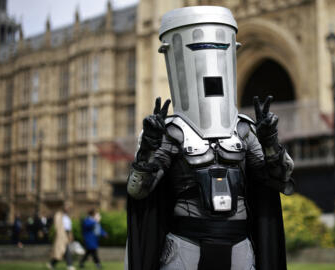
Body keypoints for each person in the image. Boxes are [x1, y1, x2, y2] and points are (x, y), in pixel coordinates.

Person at [125, 6, 294, 270]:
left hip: (239, 245)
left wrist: (270, 142)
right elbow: (139, 190)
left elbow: (279, 181)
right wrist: (147, 148)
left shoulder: (244, 130)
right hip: (186, 245)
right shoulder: (172, 132)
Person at [47, 203, 75, 270]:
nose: (68, 209)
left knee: (63, 251)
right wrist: (60, 234)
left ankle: (52, 263)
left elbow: (69, 227)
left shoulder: (67, 216)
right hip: (61, 235)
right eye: (67, 207)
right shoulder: (59, 215)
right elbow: (57, 225)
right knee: (62, 250)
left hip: (66, 234)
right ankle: (69, 265)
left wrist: (70, 235)